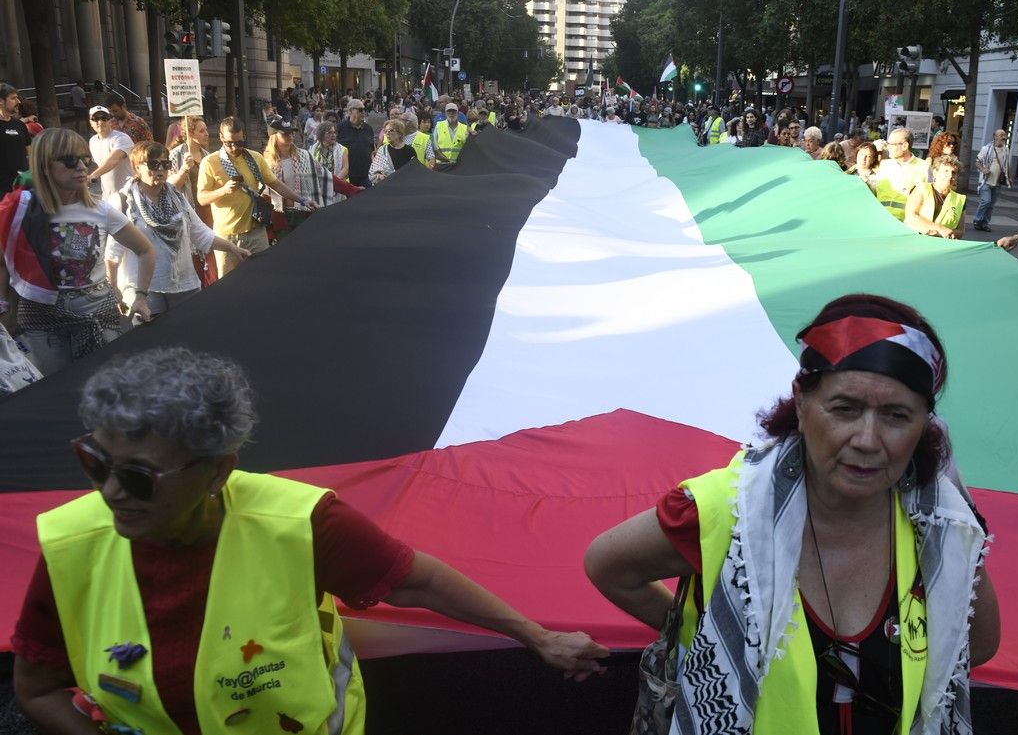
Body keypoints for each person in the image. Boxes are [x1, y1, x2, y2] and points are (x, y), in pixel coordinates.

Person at [12, 346, 610, 735]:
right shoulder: (71, 545)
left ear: (218, 470)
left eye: (139, 476)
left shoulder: (302, 522)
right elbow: (36, 689)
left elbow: (417, 580)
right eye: (95, 462)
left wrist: (539, 637)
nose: (111, 492)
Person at [585, 294, 999, 735]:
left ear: (924, 426)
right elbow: (609, 567)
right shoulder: (723, 509)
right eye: (845, 408)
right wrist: (713, 635)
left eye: (897, 416)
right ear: (801, 403)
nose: (866, 439)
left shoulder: (943, 528)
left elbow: (975, 644)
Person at [0, 128, 155, 375]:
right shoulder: (20, 210)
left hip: (97, 312)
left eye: (84, 159)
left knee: (104, 389)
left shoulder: (100, 209)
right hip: (42, 317)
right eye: (71, 161)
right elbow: (4, 262)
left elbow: (145, 249)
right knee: (59, 393)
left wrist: (141, 295)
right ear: (45, 165)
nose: (82, 167)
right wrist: (4, 307)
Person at [105, 141, 250, 315]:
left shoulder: (177, 199)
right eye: (153, 164)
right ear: (137, 167)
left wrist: (233, 248)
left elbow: (201, 233)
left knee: (190, 336)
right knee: (156, 340)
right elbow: (112, 255)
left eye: (165, 164)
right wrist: (114, 290)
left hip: (183, 283)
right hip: (144, 289)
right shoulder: (124, 202)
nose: (160, 169)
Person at [196, 117, 302, 277]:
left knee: (263, 279)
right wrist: (223, 190)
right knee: (230, 287)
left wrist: (302, 200)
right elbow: (201, 198)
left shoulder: (255, 158)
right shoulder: (210, 162)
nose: (234, 147)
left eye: (238, 143)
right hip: (227, 237)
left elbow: (276, 184)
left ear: (244, 136)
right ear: (220, 137)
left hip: (256, 232)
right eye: (229, 143)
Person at [262, 116, 334, 232]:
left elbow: (325, 175)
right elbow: (263, 192)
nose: (290, 136)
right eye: (285, 134)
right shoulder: (266, 162)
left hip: (303, 213)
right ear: (274, 137)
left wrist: (352, 189)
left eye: (291, 132)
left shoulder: (305, 156)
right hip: (279, 215)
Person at [168, 117, 216, 286]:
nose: (206, 134)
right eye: (201, 131)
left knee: (211, 252)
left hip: (208, 210)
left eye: (206, 130)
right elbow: (169, 187)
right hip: (188, 210)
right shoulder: (176, 155)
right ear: (190, 133)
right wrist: (183, 170)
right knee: (194, 257)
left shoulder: (208, 156)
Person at [905, 155, 966, 239]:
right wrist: (940, 229)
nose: (950, 175)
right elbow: (911, 216)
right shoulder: (921, 188)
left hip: (943, 244)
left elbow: (960, 231)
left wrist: (943, 233)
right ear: (935, 173)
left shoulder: (960, 199)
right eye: (946, 171)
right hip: (918, 239)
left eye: (954, 172)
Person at [876, 128, 930, 221]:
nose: (888, 147)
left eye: (891, 144)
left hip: (908, 224)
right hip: (881, 220)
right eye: (887, 144)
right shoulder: (884, 165)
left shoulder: (924, 167)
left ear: (905, 146)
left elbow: (930, 199)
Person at [86, 106, 135, 202]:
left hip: (127, 195)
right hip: (107, 197)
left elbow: (114, 159)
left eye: (104, 118)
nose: (100, 122)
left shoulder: (121, 138)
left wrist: (92, 176)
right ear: (90, 122)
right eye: (95, 119)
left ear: (110, 121)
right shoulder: (93, 141)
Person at [973, 129, 1012, 232]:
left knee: (991, 205)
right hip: (986, 181)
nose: (1003, 137)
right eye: (1001, 135)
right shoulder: (986, 149)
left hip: (998, 182)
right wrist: (983, 169)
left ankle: (985, 224)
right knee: (986, 201)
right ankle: (977, 220)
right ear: (995, 136)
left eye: (1004, 135)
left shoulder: (1006, 150)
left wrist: (1009, 177)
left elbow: (1007, 165)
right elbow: (977, 162)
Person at [0, 83, 32, 192]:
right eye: (13, 98)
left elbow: (30, 153)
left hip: (22, 187)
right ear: (1, 101)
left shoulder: (20, 125)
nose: (18, 101)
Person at [337, 98, 375, 187]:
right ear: (350, 111)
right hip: (347, 176)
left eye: (364, 110)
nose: (363, 112)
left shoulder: (368, 129)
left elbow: (372, 151)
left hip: (366, 176)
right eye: (360, 110)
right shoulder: (340, 128)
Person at [369, 119, 417, 184]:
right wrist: (379, 176)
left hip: (405, 186)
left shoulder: (410, 150)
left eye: (391, 130)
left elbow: (414, 171)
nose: (387, 133)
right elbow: (373, 171)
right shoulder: (382, 150)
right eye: (386, 131)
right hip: (386, 187)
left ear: (399, 133)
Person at [432, 102, 469, 166]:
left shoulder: (464, 128)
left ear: (457, 113)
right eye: (449, 111)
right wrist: (447, 160)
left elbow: (467, 148)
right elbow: (435, 148)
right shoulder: (438, 126)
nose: (451, 113)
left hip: (458, 165)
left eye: (454, 111)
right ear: (445, 113)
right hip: (442, 164)